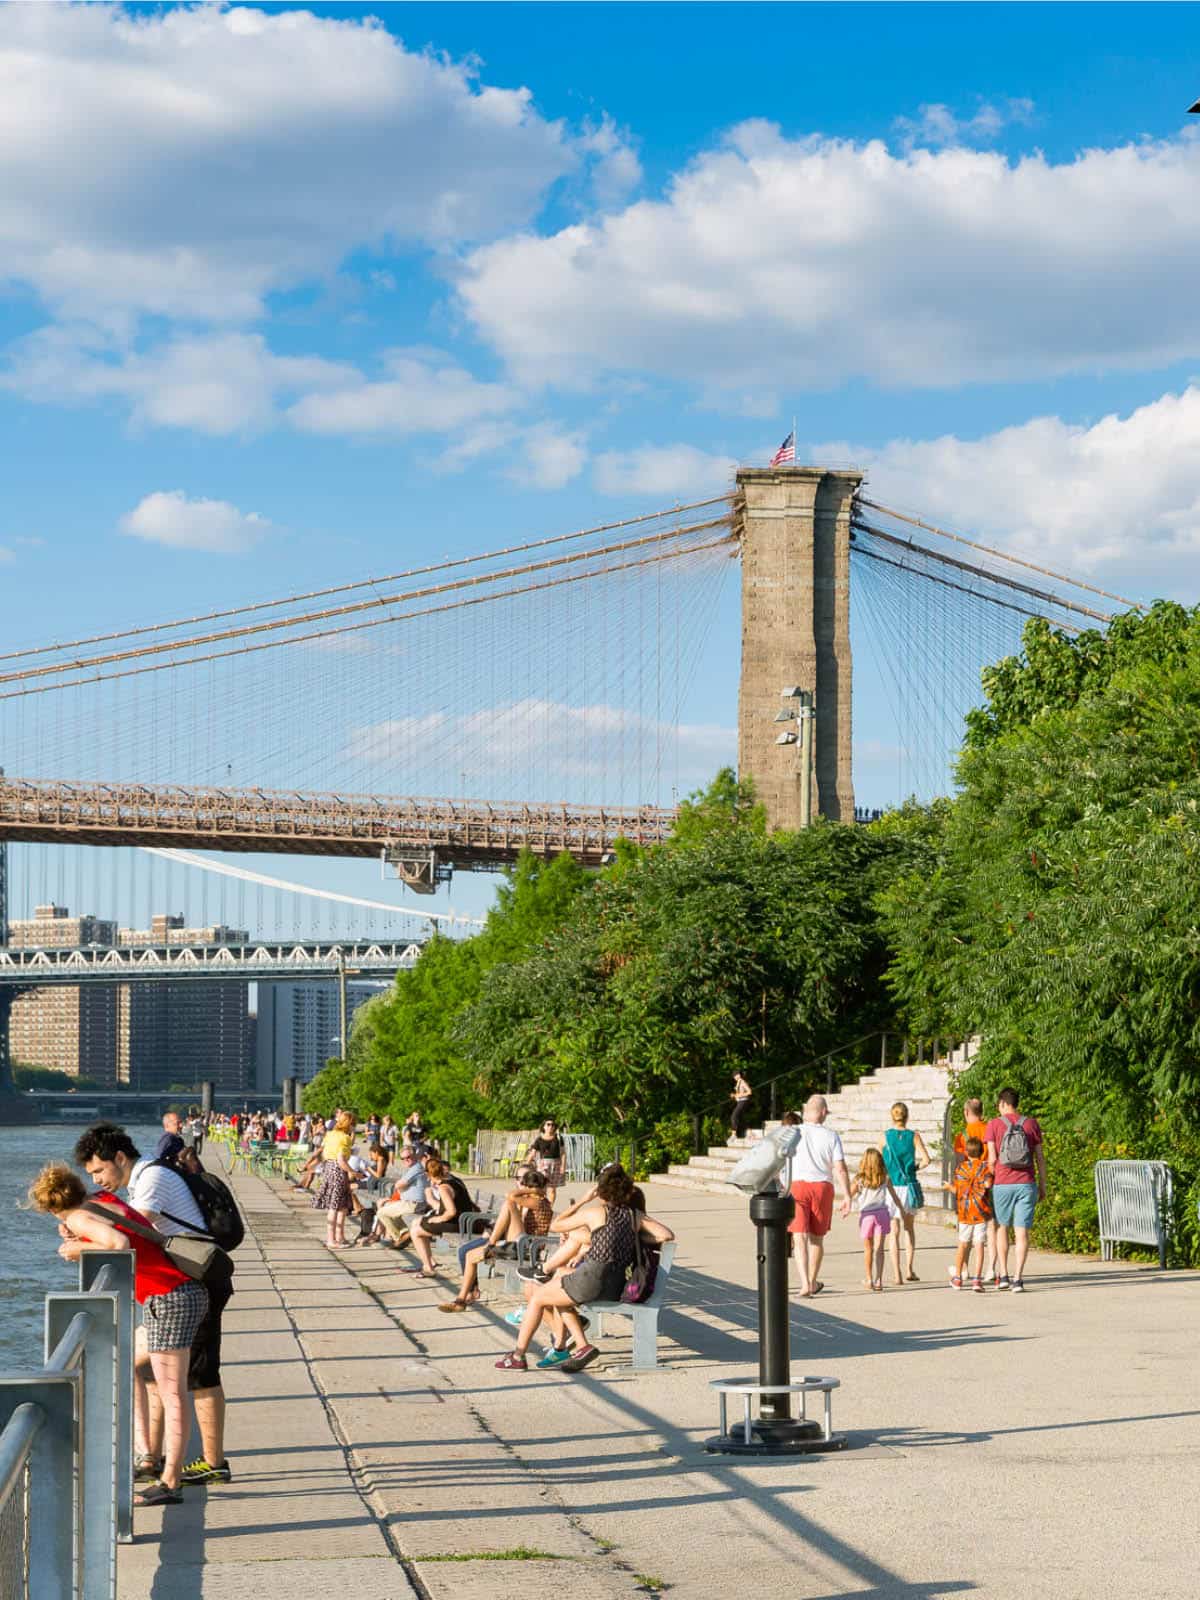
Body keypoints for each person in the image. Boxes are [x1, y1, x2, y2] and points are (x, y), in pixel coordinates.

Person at [30, 1161, 208, 1508]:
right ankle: (147, 1454)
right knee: (126, 1361)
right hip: (181, 1294)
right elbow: (114, 1225)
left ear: (51, 1207)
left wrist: (77, 1247)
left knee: (173, 1393)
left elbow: (119, 1241)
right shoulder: (99, 1201)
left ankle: (170, 1481)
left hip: (168, 1299)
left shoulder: (77, 1216)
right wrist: (78, 1232)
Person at [74, 1121, 235, 1489]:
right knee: (144, 1367)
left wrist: (81, 1231)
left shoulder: (150, 1180)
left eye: (100, 1170)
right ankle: (151, 1454)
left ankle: (212, 1462)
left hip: (197, 1281)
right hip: (183, 1282)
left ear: (119, 1157)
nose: (98, 1179)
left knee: (200, 1372)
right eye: (91, 1174)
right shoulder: (145, 1177)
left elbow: (130, 1232)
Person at [495, 1165, 674, 1373]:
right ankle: (578, 1346)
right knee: (557, 1287)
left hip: (591, 1279)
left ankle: (518, 1356)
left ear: (601, 1191)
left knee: (537, 1298)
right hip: (615, 1286)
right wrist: (637, 1237)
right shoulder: (635, 1216)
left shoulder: (596, 1213)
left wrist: (583, 1201)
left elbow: (556, 1225)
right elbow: (666, 1235)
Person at [439, 1170, 554, 1312]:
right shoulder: (539, 1201)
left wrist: (531, 1190)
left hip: (526, 1248)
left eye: (526, 1187)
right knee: (469, 1256)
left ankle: (491, 1243)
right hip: (521, 1244)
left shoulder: (538, 1201)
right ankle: (461, 1300)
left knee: (508, 1204)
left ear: (531, 1187)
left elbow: (510, 1196)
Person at [787, 1095, 852, 1298]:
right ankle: (813, 1281)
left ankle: (805, 1283)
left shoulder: (793, 1133)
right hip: (822, 1187)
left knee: (799, 1237)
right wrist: (848, 1195)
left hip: (797, 1186)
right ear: (823, 1112)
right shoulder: (831, 1136)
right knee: (817, 1238)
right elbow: (840, 1169)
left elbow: (782, 1161)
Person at [986, 1089, 1045, 1292]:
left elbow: (992, 1159)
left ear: (1002, 1103)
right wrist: (1043, 1185)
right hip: (1026, 1183)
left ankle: (1003, 1274)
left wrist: (989, 1180)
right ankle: (1018, 1279)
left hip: (1002, 1183)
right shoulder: (1031, 1123)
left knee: (1002, 1227)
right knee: (1022, 1232)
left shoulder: (994, 1124)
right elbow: (1039, 1158)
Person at [879, 1102, 932, 1285]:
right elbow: (927, 1160)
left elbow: (878, 1160)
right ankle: (910, 1268)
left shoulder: (885, 1137)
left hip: (891, 1187)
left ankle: (897, 1273)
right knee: (909, 1228)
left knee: (893, 1231)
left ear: (892, 1116)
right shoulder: (914, 1136)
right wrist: (914, 1168)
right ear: (907, 1116)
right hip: (908, 1185)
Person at [404, 1160, 473, 1278]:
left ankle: (428, 1268)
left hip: (456, 1223)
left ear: (428, 1175)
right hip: (464, 1220)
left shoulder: (443, 1187)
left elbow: (451, 1212)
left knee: (415, 1231)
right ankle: (429, 1263)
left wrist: (438, 1219)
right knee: (416, 1223)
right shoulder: (454, 1180)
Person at [942, 1136, 993, 1292]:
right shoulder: (985, 1168)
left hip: (964, 1212)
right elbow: (988, 1184)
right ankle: (977, 1280)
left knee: (963, 1244)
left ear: (965, 1152)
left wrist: (948, 1187)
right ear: (982, 1152)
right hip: (980, 1212)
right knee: (979, 1246)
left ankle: (957, 1278)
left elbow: (957, 1190)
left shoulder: (960, 1168)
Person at [851, 1148, 903, 1292]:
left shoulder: (859, 1179)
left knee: (868, 1249)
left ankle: (869, 1279)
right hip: (882, 1213)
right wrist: (901, 1210)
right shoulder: (885, 1177)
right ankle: (879, 1280)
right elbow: (894, 1196)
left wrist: (846, 1206)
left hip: (866, 1215)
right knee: (880, 1249)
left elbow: (849, 1194)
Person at [366, 1149, 429, 1247]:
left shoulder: (416, 1169)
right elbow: (400, 1186)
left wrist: (400, 1187)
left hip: (414, 1204)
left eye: (409, 1157)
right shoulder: (413, 1168)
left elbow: (399, 1185)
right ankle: (404, 1234)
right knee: (385, 1205)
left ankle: (398, 1238)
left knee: (381, 1212)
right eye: (403, 1158)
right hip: (409, 1202)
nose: (406, 1160)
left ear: (415, 1156)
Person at [313, 1110, 355, 1249]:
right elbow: (341, 1160)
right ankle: (331, 1240)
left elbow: (322, 1151)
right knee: (335, 1206)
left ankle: (340, 1237)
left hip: (328, 1169)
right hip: (338, 1171)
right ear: (349, 1123)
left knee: (342, 1206)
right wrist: (354, 1172)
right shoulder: (345, 1138)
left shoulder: (330, 1134)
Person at [527, 1119, 566, 1203]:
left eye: (552, 1125)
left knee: (552, 1189)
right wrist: (526, 1164)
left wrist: (563, 1166)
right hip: (543, 1164)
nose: (550, 1126)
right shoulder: (539, 1139)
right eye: (548, 1124)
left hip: (556, 1164)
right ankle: (540, 1206)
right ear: (544, 1126)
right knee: (541, 1186)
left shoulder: (558, 1138)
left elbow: (563, 1153)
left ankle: (549, 1209)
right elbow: (533, 1153)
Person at [729, 1072, 753, 1142]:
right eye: (734, 1076)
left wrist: (739, 1095)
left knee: (733, 1116)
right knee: (741, 1118)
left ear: (739, 1075)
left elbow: (749, 1092)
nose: (735, 1077)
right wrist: (734, 1095)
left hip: (743, 1101)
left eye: (736, 1075)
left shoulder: (742, 1082)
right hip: (740, 1102)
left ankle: (733, 1135)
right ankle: (750, 1133)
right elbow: (739, 1093)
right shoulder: (738, 1083)